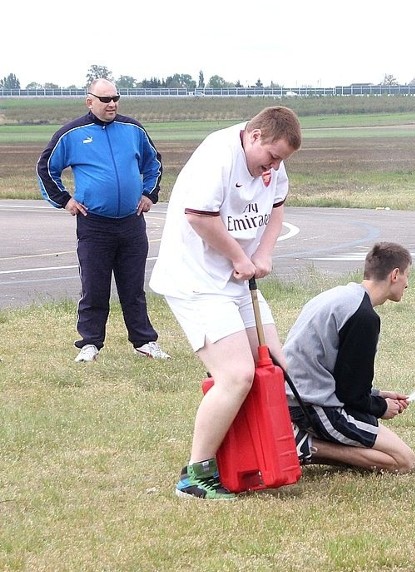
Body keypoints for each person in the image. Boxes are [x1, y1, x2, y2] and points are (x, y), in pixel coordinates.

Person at [149, 106, 304, 500]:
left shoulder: (272, 163)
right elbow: (199, 217)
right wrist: (239, 257)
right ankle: (195, 475)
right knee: (237, 375)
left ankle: (265, 449)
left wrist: (263, 255)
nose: (274, 166)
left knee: (276, 362)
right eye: (272, 156)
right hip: (197, 281)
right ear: (254, 137)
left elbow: (277, 206)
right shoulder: (218, 155)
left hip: (238, 279)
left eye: (282, 159)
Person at [36, 79, 170, 363]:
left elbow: (153, 163)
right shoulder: (72, 134)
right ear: (89, 101)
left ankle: (144, 341)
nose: (112, 104)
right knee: (95, 287)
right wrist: (65, 200)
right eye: (105, 99)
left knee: (133, 288)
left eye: (116, 98)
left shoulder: (132, 129)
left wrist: (149, 194)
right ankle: (90, 343)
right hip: (94, 224)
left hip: (132, 223)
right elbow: (47, 168)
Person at [284, 241, 415, 474]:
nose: (408, 283)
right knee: (403, 461)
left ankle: (306, 442)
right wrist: (381, 406)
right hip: (313, 407)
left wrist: (376, 395)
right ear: (395, 275)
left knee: (374, 433)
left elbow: (342, 374)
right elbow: (351, 394)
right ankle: (306, 446)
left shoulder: (342, 296)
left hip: (298, 397)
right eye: (407, 275)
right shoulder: (363, 316)